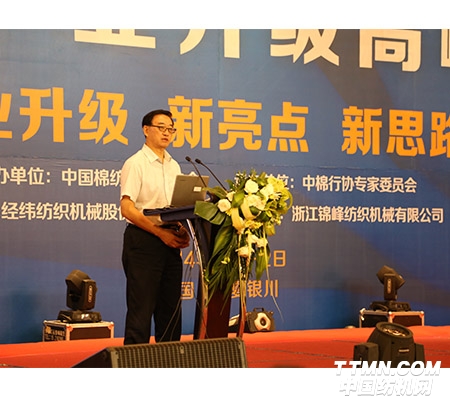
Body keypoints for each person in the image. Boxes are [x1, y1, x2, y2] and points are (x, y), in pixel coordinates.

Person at [120, 109, 190, 344]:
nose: (166, 133)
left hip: (170, 242)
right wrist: (160, 233)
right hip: (144, 241)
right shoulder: (135, 163)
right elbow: (127, 209)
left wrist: (182, 228)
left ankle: (169, 361)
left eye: (171, 129)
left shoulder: (174, 166)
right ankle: (134, 362)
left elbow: (176, 207)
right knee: (141, 310)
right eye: (161, 127)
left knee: (170, 312)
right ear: (146, 129)